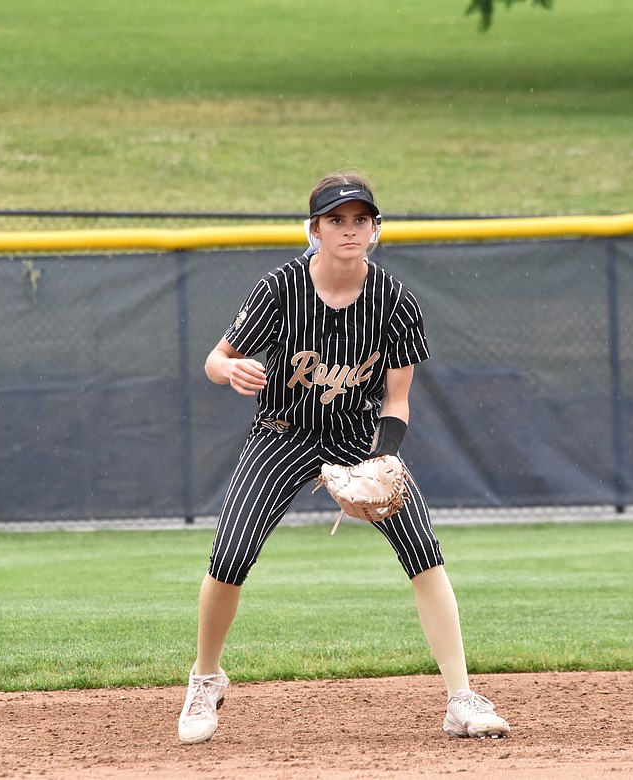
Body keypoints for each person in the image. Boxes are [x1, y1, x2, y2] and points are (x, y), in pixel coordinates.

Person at [177, 172, 510, 744]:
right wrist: (229, 369)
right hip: (282, 434)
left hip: (359, 438)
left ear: (376, 230)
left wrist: (383, 461)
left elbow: (397, 400)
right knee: (229, 555)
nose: (349, 229)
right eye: (336, 219)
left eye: (361, 219)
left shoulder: (395, 302)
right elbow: (216, 356)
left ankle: (461, 699)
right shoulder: (281, 289)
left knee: (424, 554)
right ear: (314, 230)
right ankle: (205, 679)